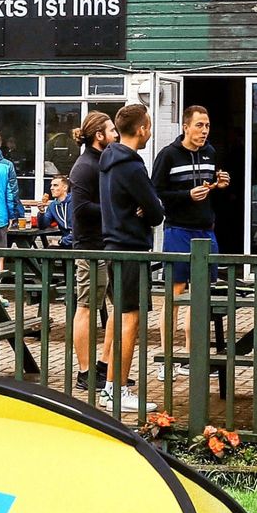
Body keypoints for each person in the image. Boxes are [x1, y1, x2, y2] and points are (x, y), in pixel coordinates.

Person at [151, 105, 228, 372]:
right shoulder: (168, 155)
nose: (204, 131)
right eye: (199, 125)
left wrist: (219, 183)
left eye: (207, 126)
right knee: (173, 296)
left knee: (201, 296)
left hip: (206, 230)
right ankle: (166, 360)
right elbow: (155, 191)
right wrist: (186, 195)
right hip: (178, 230)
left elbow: (208, 185)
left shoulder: (210, 153)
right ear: (185, 126)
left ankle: (191, 358)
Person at [99, 103, 165, 412]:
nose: (150, 131)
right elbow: (155, 211)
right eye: (149, 126)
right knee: (130, 320)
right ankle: (116, 388)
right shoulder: (133, 166)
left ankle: (112, 387)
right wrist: (148, 207)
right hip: (130, 248)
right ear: (141, 129)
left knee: (122, 316)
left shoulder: (108, 160)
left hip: (114, 246)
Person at [66, 112, 118, 394]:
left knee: (119, 307)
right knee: (87, 307)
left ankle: (104, 367)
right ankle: (85, 372)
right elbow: (81, 208)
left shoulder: (104, 161)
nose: (116, 134)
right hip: (89, 247)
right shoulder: (84, 166)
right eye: (111, 130)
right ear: (99, 135)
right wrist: (116, 210)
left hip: (108, 244)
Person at [31, 175, 72, 244]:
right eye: (51, 185)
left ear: (65, 187)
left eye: (55, 185)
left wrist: (60, 242)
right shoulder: (52, 206)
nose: (51, 188)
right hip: (66, 242)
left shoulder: (75, 203)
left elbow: (81, 231)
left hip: (81, 243)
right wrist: (41, 212)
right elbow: (43, 226)